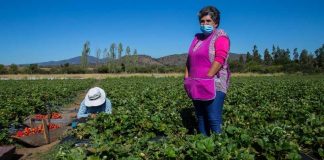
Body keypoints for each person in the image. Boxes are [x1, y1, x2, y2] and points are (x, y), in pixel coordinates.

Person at [184, 6, 230, 136]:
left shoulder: (220, 36)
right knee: (201, 117)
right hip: (196, 83)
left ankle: (219, 148)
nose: (205, 24)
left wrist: (207, 77)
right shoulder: (197, 38)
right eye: (202, 21)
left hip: (214, 83)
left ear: (215, 23)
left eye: (208, 21)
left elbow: (220, 58)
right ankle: (203, 144)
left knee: (213, 118)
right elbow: (189, 60)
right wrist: (186, 79)